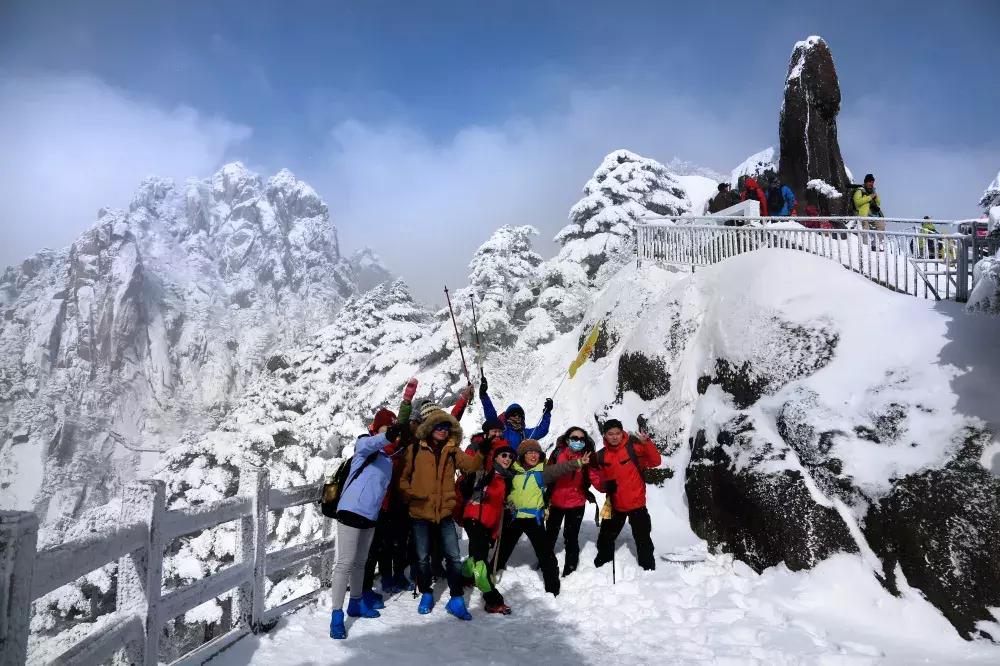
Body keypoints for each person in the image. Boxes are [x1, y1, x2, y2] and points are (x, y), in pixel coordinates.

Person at [399, 408, 483, 620]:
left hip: (444, 512)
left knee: (454, 557)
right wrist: (411, 495)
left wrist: (483, 451)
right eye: (439, 427)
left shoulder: (453, 450)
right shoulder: (415, 449)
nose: (443, 431)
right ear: (430, 428)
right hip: (420, 512)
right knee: (422, 558)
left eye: (446, 427)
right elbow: (403, 478)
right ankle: (427, 593)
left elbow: (472, 466)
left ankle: (456, 599)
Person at [328, 414, 404, 639]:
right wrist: (387, 436)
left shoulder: (389, 460)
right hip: (351, 510)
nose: (388, 432)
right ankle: (336, 615)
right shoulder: (365, 446)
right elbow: (370, 443)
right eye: (384, 428)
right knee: (345, 563)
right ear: (375, 428)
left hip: (371, 515)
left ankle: (356, 603)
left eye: (391, 429)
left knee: (361, 562)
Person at [496, 439, 590, 596]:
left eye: (536, 452)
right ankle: (491, 574)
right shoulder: (512, 471)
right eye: (529, 452)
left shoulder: (543, 472)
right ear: (522, 455)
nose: (533, 455)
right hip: (514, 518)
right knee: (503, 550)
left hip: (534, 520)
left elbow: (561, 468)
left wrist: (578, 462)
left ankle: (553, 588)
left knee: (546, 555)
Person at [589, 419, 662, 572]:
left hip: (637, 504)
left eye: (617, 433)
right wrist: (603, 485)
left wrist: (646, 443)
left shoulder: (634, 449)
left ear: (622, 433)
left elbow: (655, 461)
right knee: (606, 536)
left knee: (643, 538)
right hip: (615, 504)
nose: (614, 437)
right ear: (605, 435)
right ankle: (603, 562)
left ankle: (648, 568)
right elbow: (592, 471)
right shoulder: (601, 456)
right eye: (610, 434)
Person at [459, 438, 516, 614]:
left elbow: (498, 507)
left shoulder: (505, 478)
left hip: (487, 524)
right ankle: (493, 600)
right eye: (503, 455)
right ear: (495, 457)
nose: (507, 459)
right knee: (481, 563)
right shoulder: (486, 471)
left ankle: (463, 577)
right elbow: (476, 468)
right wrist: (483, 453)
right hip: (474, 518)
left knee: (476, 556)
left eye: (510, 456)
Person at [545, 427, 598, 577]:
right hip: (556, 501)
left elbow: (595, 478)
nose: (578, 441)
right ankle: (545, 561)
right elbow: (549, 473)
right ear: (567, 439)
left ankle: (571, 567)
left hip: (577, 503)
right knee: (550, 534)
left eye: (582, 439)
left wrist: (608, 487)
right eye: (575, 438)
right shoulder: (557, 454)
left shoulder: (588, 457)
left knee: (572, 536)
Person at [479, 373, 552, 451]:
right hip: (499, 461)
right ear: (508, 417)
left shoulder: (524, 433)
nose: (517, 417)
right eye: (513, 414)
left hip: (515, 462)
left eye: (519, 415)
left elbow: (542, 430)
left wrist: (547, 413)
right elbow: (491, 415)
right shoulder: (501, 430)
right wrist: (484, 395)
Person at [854, 173, 884, 238]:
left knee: (881, 226)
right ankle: (865, 246)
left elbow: (878, 203)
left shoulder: (873, 191)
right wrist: (869, 197)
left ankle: (876, 245)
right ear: (866, 182)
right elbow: (857, 202)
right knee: (865, 231)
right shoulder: (859, 191)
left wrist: (875, 197)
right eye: (870, 182)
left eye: (872, 182)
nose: (871, 184)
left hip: (873, 215)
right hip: (863, 215)